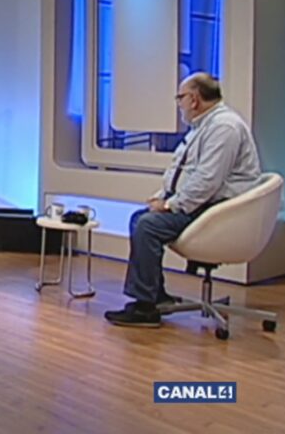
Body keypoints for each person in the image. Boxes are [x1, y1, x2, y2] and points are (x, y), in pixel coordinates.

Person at [105, 73, 262, 328]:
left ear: (195, 99)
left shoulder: (224, 128)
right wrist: (162, 195)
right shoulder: (204, 126)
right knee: (140, 218)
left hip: (218, 210)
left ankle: (145, 308)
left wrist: (170, 205)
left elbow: (207, 181)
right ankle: (155, 296)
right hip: (203, 204)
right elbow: (184, 171)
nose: (178, 104)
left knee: (147, 225)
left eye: (180, 97)